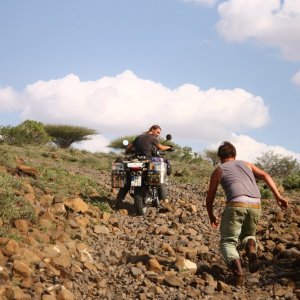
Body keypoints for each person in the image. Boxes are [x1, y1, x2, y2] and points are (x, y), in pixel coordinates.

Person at [205, 141, 288, 286]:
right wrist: (278, 197)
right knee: (248, 234)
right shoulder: (246, 164)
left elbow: (210, 196)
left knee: (228, 241)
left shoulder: (219, 169)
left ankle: (238, 274)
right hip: (256, 203)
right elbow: (265, 175)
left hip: (237, 203)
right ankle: (250, 245)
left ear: (220, 157)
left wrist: (211, 215)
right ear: (234, 155)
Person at [115, 125, 172, 208]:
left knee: (127, 182)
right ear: (152, 130)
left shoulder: (138, 137)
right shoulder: (153, 138)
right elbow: (161, 147)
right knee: (160, 177)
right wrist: (169, 147)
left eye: (159, 133)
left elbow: (128, 148)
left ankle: (118, 202)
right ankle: (164, 200)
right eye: (157, 132)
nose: (158, 134)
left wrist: (129, 150)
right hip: (148, 161)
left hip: (136, 161)